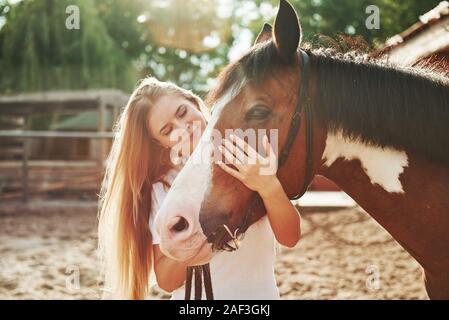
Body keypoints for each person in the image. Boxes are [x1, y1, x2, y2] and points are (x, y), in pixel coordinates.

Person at [98, 77, 301, 299]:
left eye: (182, 112)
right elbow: (166, 281)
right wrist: (191, 238)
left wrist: (269, 187)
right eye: (167, 130)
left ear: (194, 101)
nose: (183, 127)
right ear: (161, 144)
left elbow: (290, 237)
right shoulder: (165, 188)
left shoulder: (249, 158)